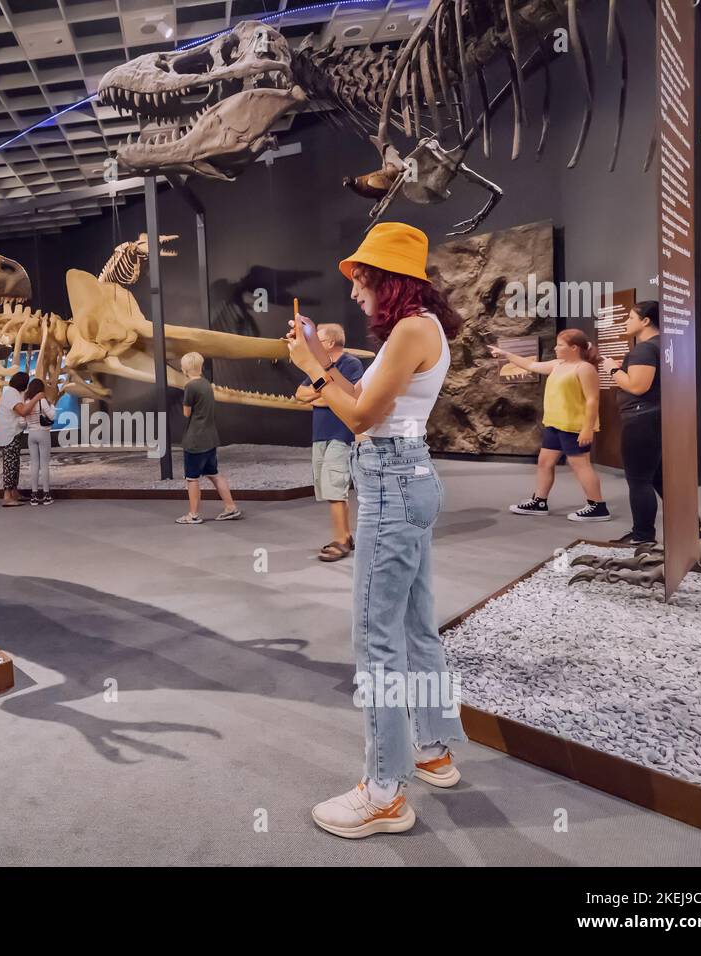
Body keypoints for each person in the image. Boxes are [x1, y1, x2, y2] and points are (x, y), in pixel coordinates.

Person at [286, 221, 467, 839]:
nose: (356, 293)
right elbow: (362, 398)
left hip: (392, 487)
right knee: (417, 627)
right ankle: (434, 750)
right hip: (405, 478)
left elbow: (361, 415)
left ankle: (385, 792)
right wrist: (322, 370)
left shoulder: (412, 331)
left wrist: (314, 368)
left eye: (361, 280)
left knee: (377, 640)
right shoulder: (420, 330)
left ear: (385, 279)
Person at [492, 330, 612, 522]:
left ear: (574, 348)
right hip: (554, 424)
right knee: (544, 462)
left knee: (580, 465)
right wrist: (506, 355)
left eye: (560, 345)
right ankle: (539, 502)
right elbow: (530, 364)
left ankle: (597, 506)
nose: (555, 348)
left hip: (573, 426)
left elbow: (592, 399)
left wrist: (587, 428)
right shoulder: (557, 365)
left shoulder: (584, 368)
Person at [294, 323, 365, 561]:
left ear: (331, 343)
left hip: (340, 435)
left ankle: (342, 540)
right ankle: (344, 535)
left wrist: (325, 395)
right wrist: (327, 392)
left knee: (335, 488)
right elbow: (299, 394)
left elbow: (349, 396)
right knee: (328, 487)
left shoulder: (351, 364)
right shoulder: (317, 368)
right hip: (320, 435)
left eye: (318, 340)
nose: (314, 344)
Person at [602, 301, 663, 544]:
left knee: (638, 480)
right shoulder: (665, 346)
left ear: (645, 321)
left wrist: (612, 370)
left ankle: (643, 536)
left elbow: (638, 386)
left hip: (641, 420)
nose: (626, 322)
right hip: (658, 418)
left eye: (629, 318)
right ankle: (694, 527)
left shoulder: (645, 349)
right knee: (659, 478)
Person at [176, 351, 242, 524]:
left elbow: (186, 412)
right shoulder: (206, 384)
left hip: (195, 440)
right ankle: (230, 507)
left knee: (192, 478)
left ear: (184, 369)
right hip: (210, 438)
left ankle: (193, 514)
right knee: (214, 474)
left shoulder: (190, 387)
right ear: (201, 366)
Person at [0, 371, 44, 507]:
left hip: (13, 433)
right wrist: (37, 397)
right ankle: (7, 496)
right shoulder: (11, 394)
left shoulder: (13, 393)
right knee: (10, 464)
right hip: (9, 435)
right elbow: (22, 411)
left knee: (14, 463)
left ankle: (14, 492)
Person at [22, 378, 56, 505]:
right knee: (44, 464)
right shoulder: (42, 400)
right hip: (43, 433)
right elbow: (52, 416)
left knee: (34, 464)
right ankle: (46, 495)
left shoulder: (27, 401)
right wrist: (51, 404)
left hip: (31, 434)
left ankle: (34, 496)